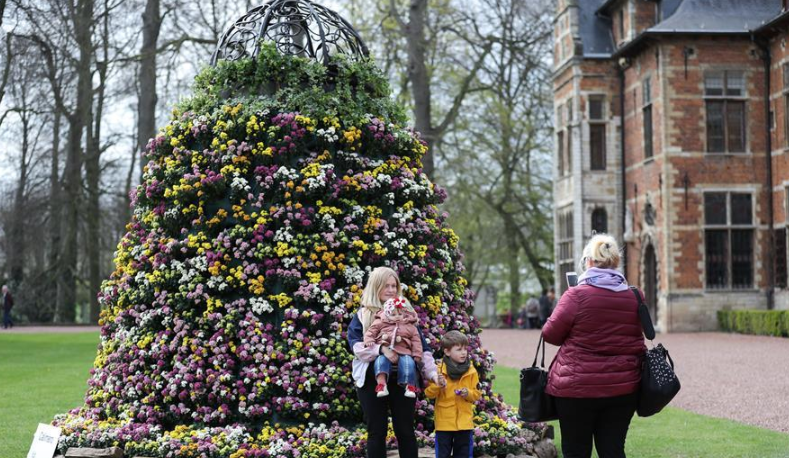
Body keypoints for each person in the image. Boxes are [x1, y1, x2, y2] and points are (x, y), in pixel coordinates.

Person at [542, 234, 646, 458]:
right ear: (616, 262)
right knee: (613, 450)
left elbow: (550, 334)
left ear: (588, 261)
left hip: (577, 387)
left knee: (576, 451)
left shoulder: (576, 295)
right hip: (623, 386)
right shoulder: (635, 296)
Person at [347, 266, 439, 458]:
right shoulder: (363, 315)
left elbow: (422, 348)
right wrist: (382, 350)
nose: (390, 290)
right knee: (376, 431)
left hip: (404, 379)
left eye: (394, 286)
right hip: (372, 379)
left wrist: (432, 373)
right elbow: (357, 347)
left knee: (405, 430)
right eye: (386, 285)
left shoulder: (406, 313)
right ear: (375, 287)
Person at [425, 330, 480, 458]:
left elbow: (477, 394)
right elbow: (429, 393)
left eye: (465, 349)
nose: (464, 352)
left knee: (463, 455)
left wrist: (468, 393)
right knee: (442, 455)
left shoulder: (471, 370)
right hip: (444, 424)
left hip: (464, 424)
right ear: (447, 351)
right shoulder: (438, 370)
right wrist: (438, 385)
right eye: (459, 349)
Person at [364, 296, 423, 398]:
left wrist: (417, 354)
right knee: (380, 362)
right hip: (386, 349)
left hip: (404, 351)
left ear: (404, 313)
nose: (397, 317)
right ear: (387, 314)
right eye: (393, 314)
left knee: (409, 363)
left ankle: (409, 386)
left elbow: (416, 340)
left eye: (400, 314)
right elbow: (371, 331)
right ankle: (381, 385)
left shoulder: (409, 325)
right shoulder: (381, 321)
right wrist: (369, 340)